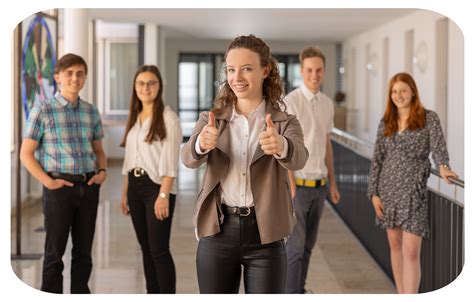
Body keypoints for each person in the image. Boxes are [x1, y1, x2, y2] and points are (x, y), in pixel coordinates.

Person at [181, 34, 308, 294]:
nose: (236, 77)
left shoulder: (285, 122)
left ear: (265, 70)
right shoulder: (211, 119)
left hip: (266, 235)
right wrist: (201, 144)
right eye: (231, 69)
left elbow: (300, 157)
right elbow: (187, 158)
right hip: (217, 231)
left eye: (246, 69)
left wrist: (281, 145)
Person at [20, 53, 107, 293]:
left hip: (88, 186)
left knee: (84, 253)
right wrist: (48, 182)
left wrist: (101, 172)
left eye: (80, 73)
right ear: (57, 77)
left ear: (85, 78)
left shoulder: (91, 111)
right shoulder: (43, 109)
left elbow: (98, 149)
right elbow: (26, 153)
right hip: (58, 188)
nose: (74, 78)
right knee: (54, 254)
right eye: (69, 73)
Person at [367, 72, 458, 294]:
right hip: (387, 191)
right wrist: (373, 194)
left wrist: (444, 167)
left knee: (411, 250)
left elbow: (438, 149)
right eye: (394, 91)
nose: (398, 95)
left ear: (413, 91)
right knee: (395, 246)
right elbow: (377, 159)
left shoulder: (429, 118)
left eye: (403, 90)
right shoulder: (386, 121)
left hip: (413, 193)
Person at [120, 65, 182, 293]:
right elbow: (130, 160)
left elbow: (170, 162)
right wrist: (125, 192)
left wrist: (163, 195)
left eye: (151, 83)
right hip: (135, 187)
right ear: (135, 87)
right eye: (141, 83)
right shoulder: (135, 117)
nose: (145, 88)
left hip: (157, 187)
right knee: (145, 248)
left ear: (159, 86)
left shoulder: (169, 118)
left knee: (159, 250)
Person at [284, 46, 341, 294]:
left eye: (318, 70)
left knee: (307, 247)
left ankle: (299, 290)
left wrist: (333, 183)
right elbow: (284, 146)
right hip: (298, 187)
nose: (314, 75)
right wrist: (291, 185)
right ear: (302, 71)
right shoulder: (291, 102)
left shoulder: (328, 104)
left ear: (324, 72)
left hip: (320, 187)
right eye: (309, 70)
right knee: (294, 250)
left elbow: (326, 144)